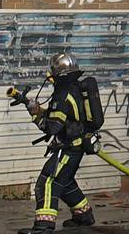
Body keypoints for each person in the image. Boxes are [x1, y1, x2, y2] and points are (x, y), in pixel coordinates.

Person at [20, 52, 103, 232]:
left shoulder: (62, 94)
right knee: (64, 182)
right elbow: (63, 118)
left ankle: (43, 227)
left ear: (55, 72)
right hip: (77, 146)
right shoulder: (74, 88)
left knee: (48, 182)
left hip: (68, 148)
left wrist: (34, 114)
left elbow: (51, 128)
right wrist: (34, 107)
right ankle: (84, 216)